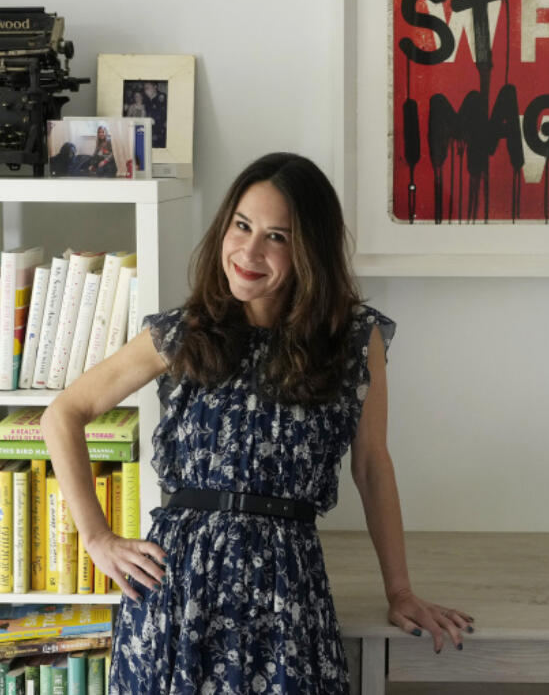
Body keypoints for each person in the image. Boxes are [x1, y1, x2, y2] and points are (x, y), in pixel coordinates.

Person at [41, 152, 472, 694]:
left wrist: (401, 591)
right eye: (242, 226)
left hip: (286, 594)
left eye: (277, 236)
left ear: (309, 251)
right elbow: (63, 413)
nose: (249, 251)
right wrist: (98, 537)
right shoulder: (182, 332)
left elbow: (370, 464)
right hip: (179, 597)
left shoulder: (354, 341)